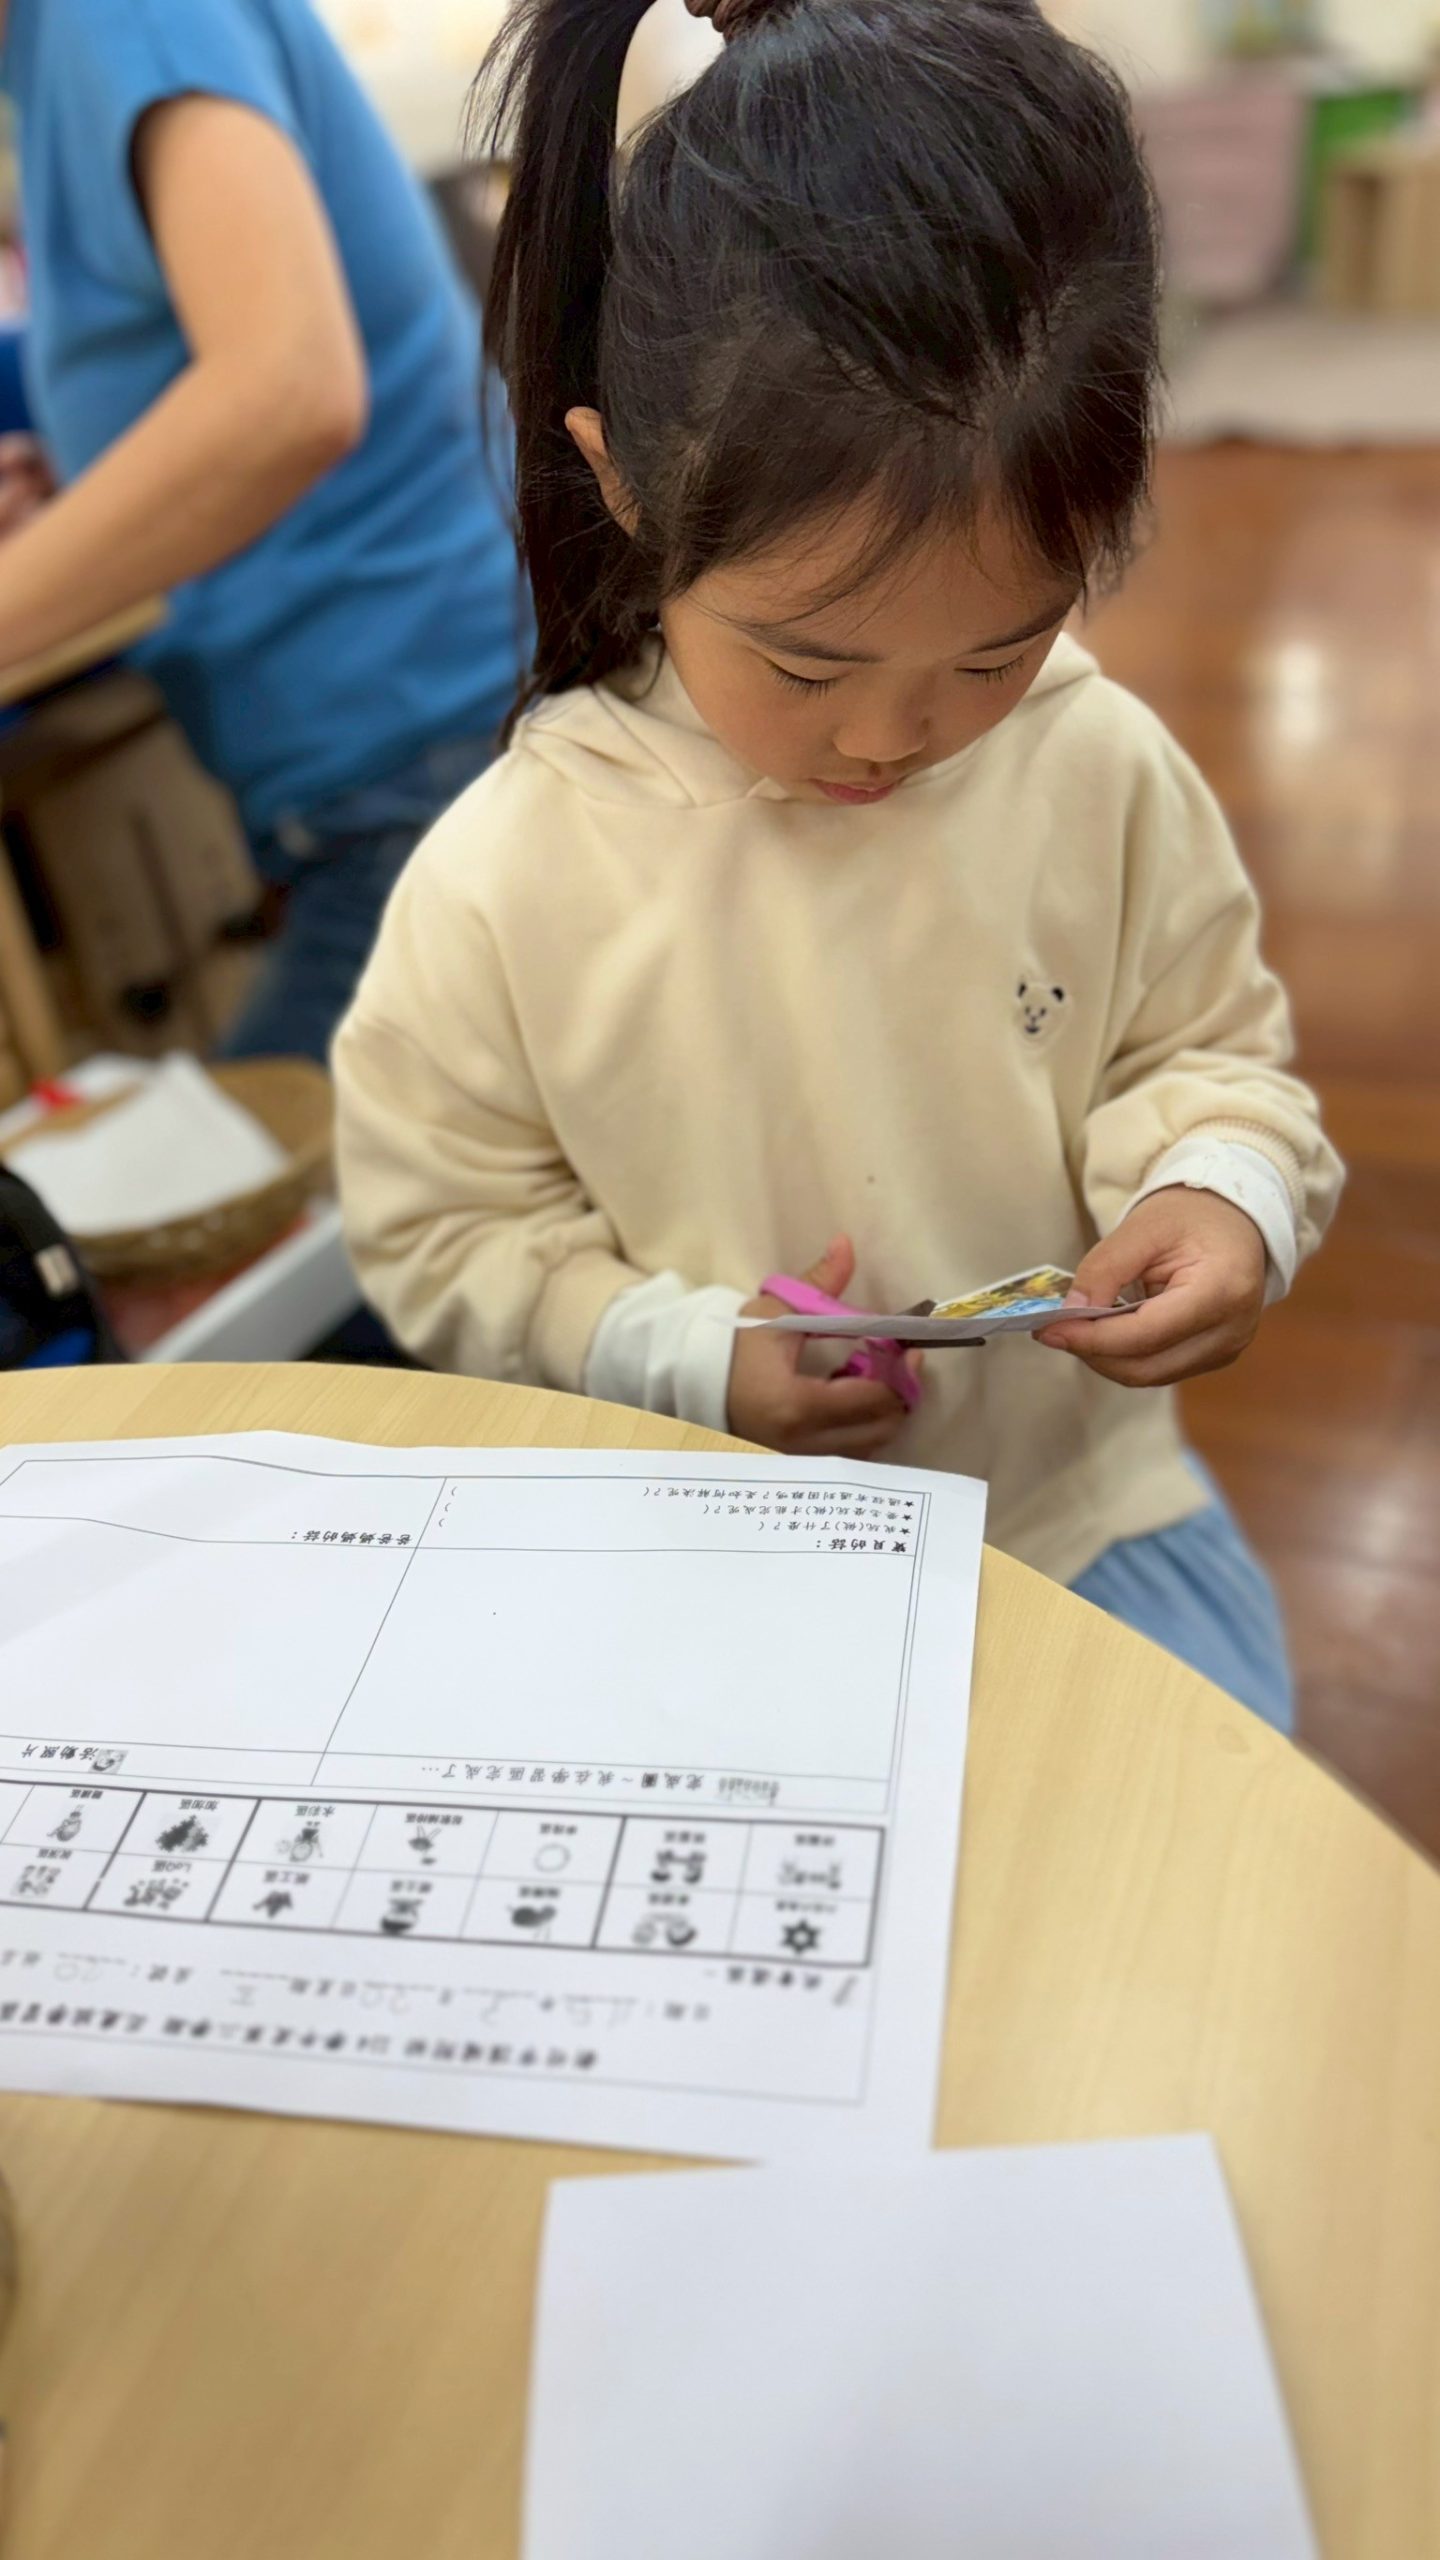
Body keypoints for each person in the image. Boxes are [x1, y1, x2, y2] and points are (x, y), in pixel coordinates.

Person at [332, 0, 1344, 1729]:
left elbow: (1206, 1052)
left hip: (1074, 1526)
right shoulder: (514, 872)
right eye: (806, 666)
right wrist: (680, 1350)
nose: (892, 738)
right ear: (623, 481)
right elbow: (442, 1224)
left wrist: (1220, 1189)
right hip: (710, 1550)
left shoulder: (1093, 766)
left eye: (995, 653)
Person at [0, 0, 524, 1060]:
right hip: (403, 755)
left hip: (436, 745)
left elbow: (289, 389)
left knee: (241, 1150)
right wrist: (86, 480)